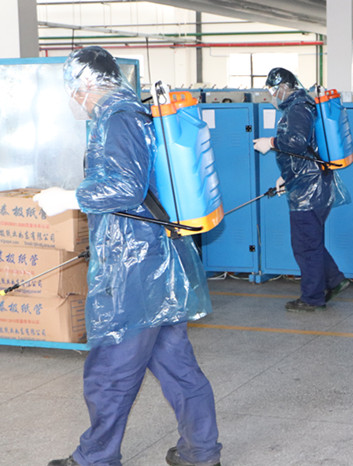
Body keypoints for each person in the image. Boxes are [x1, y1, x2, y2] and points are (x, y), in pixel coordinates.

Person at [34, 46, 222, 466]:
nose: (72, 98)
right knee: (176, 365)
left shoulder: (117, 117)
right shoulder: (132, 112)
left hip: (135, 265)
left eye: (72, 87)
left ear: (86, 84)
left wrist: (69, 197)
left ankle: (95, 458)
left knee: (110, 370)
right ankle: (201, 450)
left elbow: (126, 187)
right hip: (156, 260)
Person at [253, 67, 349, 312]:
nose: (271, 96)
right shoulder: (301, 106)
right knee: (311, 241)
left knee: (305, 246)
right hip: (309, 183)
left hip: (309, 189)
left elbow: (296, 142)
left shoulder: (298, 108)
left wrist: (270, 142)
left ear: (284, 87)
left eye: (273, 90)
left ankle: (312, 297)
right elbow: (306, 150)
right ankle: (334, 280)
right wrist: (285, 177)